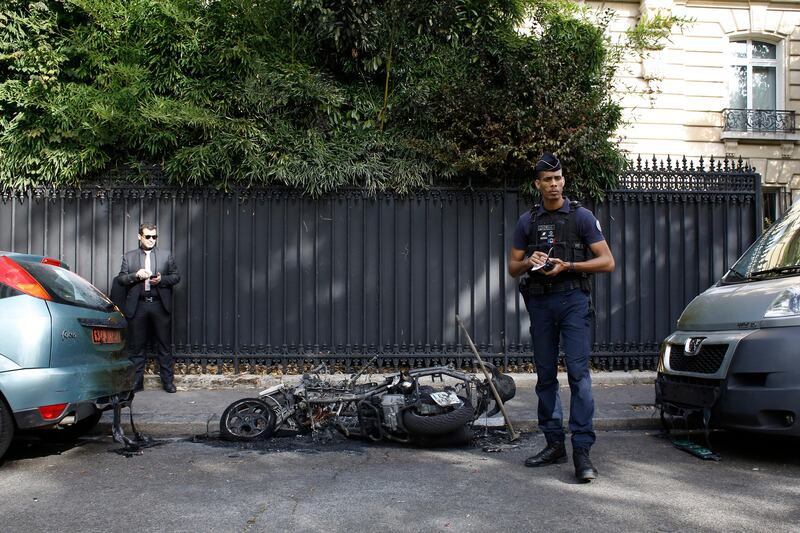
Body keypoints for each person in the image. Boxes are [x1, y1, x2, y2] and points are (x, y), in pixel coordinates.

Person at [508, 152, 615, 482]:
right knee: (545, 376)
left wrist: (568, 265)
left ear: (563, 180)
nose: (554, 185)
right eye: (547, 180)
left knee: (579, 376)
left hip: (573, 301)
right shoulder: (528, 221)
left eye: (558, 179)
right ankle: (554, 444)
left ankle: (581, 450)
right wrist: (530, 261)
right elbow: (512, 268)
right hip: (541, 304)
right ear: (538, 184)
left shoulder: (581, 217)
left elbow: (607, 261)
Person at [118, 223, 181, 393]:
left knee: (164, 346)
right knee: (137, 347)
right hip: (139, 306)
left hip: (160, 305)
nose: (152, 240)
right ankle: (137, 383)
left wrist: (162, 280)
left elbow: (176, 277)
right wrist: (135, 276)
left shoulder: (165, 255)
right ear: (140, 236)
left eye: (154, 237)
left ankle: (168, 382)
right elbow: (121, 279)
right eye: (148, 236)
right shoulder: (129, 257)